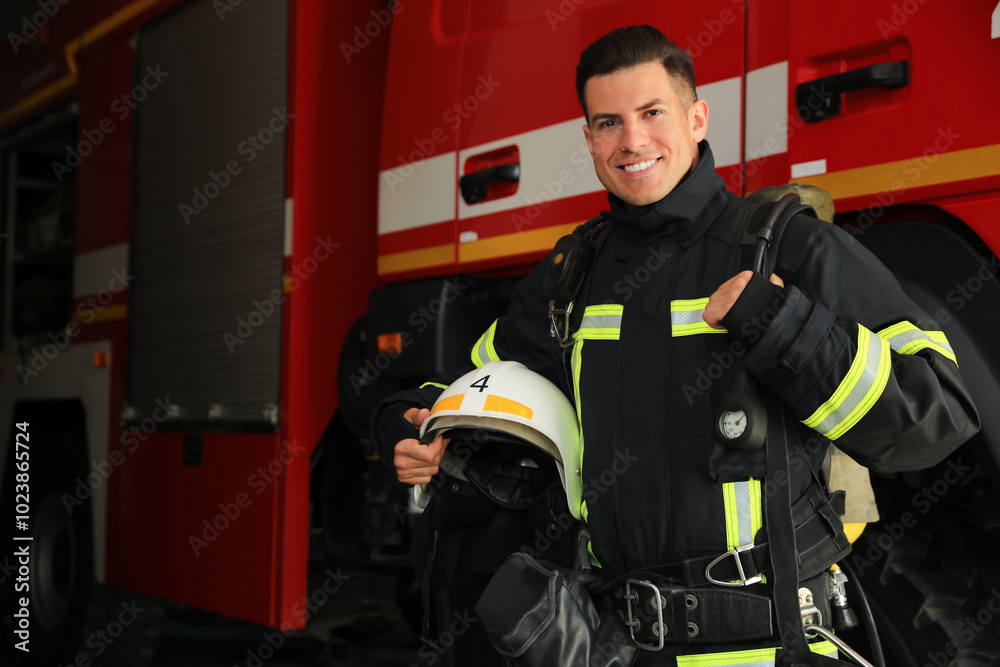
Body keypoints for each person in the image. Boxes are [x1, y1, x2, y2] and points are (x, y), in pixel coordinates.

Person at [372, 25, 980, 666]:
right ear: (588, 139)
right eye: (609, 123)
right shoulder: (573, 278)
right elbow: (465, 389)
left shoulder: (792, 247)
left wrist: (782, 325)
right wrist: (404, 428)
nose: (632, 141)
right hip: (616, 645)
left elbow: (935, 417)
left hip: (768, 647)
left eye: (652, 113)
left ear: (696, 119)